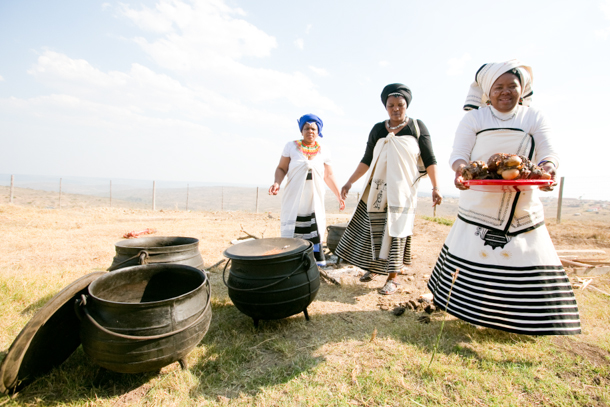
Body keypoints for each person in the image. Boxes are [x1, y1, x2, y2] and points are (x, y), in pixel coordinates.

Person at [427, 60, 581, 335]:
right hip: (478, 203)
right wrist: (462, 170)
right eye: (498, 87)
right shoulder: (475, 118)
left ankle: (520, 321)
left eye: (512, 86)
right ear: (488, 91)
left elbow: (549, 152)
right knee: (477, 258)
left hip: (522, 205)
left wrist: (547, 169)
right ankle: (472, 313)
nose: (505, 92)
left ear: (522, 89)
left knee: (521, 258)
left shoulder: (534, 117)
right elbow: (458, 154)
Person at [335, 84, 442, 295]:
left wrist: (435, 186)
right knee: (373, 229)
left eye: (400, 105)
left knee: (396, 230)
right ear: (385, 107)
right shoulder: (377, 129)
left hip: (403, 192)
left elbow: (430, 159)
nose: (395, 109)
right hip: (377, 189)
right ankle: (374, 269)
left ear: (406, 105)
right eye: (391, 105)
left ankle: (392, 278)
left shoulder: (417, 127)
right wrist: (349, 182)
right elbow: (367, 159)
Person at [269, 113, 345, 266]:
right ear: (301, 131)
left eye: (313, 129)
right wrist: (277, 182)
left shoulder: (324, 150)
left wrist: (339, 195)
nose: (310, 131)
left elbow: (328, 175)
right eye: (306, 128)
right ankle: (291, 258)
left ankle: (315, 259)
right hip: (294, 196)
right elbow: (281, 168)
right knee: (293, 227)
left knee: (315, 224)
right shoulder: (291, 146)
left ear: (318, 132)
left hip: (314, 196)